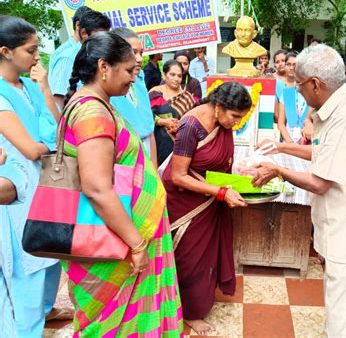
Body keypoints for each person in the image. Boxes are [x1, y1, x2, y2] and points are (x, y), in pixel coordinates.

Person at [253, 44, 346, 337]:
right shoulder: (334, 109)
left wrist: (278, 170)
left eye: (300, 85)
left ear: (316, 83)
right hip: (344, 233)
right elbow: (322, 153)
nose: (298, 92)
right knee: (341, 315)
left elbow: (320, 182)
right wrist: (281, 146)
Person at [61, 31, 183, 336]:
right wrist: (136, 243)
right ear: (104, 67)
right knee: (111, 323)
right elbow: (97, 188)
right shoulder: (92, 111)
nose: (133, 79)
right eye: (129, 70)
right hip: (116, 240)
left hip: (121, 232)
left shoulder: (97, 103)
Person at [161, 81, 251, 335]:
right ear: (220, 106)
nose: (237, 122)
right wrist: (222, 192)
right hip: (186, 204)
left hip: (209, 199)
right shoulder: (192, 125)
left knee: (206, 256)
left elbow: (219, 162)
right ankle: (187, 312)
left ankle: (199, 302)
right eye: (235, 116)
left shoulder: (222, 122)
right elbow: (178, 176)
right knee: (189, 258)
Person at [0, 15, 67, 337]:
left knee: (49, 266)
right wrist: (48, 142)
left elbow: (57, 128)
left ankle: (39, 321)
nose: (37, 56)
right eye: (31, 50)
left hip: (45, 190)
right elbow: (30, 148)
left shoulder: (28, 85)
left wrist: (44, 87)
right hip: (16, 194)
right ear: (6, 52)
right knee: (24, 280)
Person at [110, 28, 157, 167]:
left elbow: (149, 131)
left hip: (146, 158)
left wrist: (154, 172)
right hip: (123, 163)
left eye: (141, 53)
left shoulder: (139, 79)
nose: (139, 59)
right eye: (133, 52)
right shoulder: (107, 88)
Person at [48, 9, 111, 110]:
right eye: (100, 37)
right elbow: (58, 102)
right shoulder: (68, 58)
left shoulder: (89, 54)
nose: (104, 41)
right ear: (83, 32)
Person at [149, 60, 199, 165]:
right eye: (172, 74)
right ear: (164, 75)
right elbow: (144, 116)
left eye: (179, 76)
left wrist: (180, 126)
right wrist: (163, 122)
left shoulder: (187, 98)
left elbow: (194, 122)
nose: (176, 79)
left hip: (179, 146)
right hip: (156, 143)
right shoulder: (155, 92)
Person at [47, 6, 91, 109]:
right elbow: (59, 100)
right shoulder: (68, 57)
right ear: (78, 25)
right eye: (93, 30)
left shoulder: (81, 51)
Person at [276, 52, 309, 143]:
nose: (292, 68)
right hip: (288, 143)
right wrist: (290, 143)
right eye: (289, 64)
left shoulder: (311, 95)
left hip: (307, 143)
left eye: (295, 65)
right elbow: (281, 123)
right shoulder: (287, 93)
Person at [272, 49, 287, 121]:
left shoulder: (295, 78)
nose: (280, 64)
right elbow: (276, 113)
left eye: (283, 61)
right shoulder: (272, 79)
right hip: (279, 121)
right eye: (277, 62)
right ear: (274, 65)